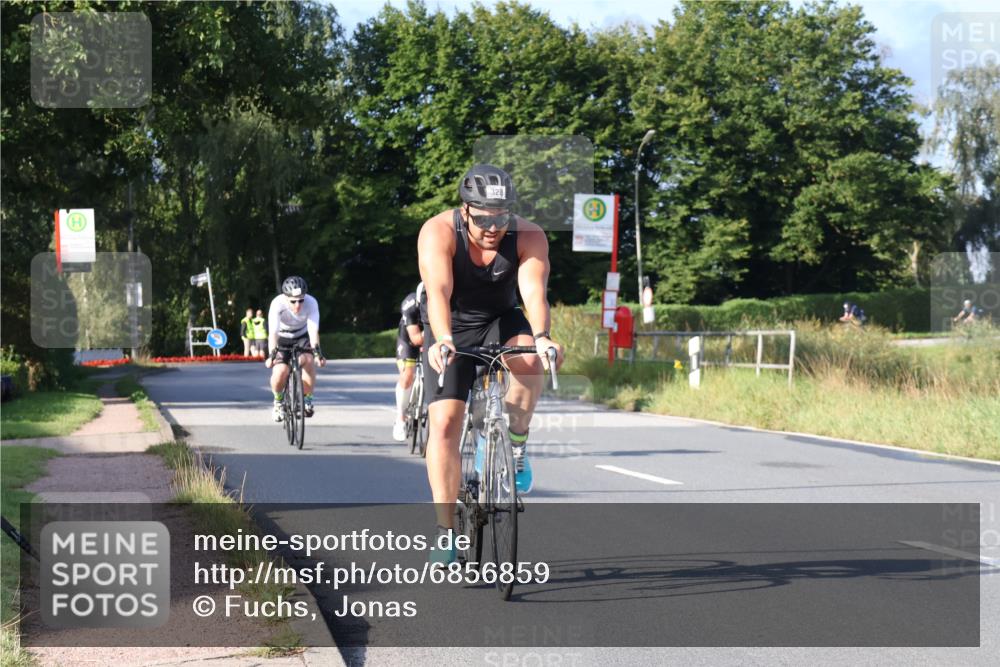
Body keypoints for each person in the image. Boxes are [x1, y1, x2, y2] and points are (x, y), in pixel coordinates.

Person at [417, 164, 564, 563]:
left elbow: (533, 291)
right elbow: (439, 290)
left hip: (501, 321)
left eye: (501, 217)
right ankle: (446, 533)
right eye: (482, 218)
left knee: (530, 359)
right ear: (464, 210)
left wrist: (543, 335)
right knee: (445, 421)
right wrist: (443, 339)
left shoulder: (528, 234)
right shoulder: (438, 231)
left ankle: (515, 443)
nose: (492, 226)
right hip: (453, 327)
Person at [264, 276, 325, 422]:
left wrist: (318, 354)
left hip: (302, 336)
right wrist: (271, 355)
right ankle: (278, 402)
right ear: (285, 298)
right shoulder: (277, 304)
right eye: (293, 301)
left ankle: (308, 399)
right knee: (281, 371)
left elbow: (313, 331)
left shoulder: (311, 303)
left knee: (309, 360)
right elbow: (273, 333)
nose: (298, 305)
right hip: (282, 337)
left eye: (301, 300)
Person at [393, 283, 426, 442]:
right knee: (408, 375)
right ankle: (400, 418)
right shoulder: (410, 305)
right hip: (408, 338)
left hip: (429, 336)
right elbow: (416, 338)